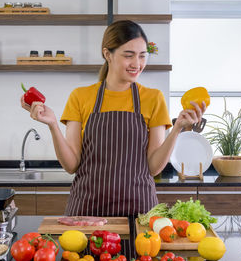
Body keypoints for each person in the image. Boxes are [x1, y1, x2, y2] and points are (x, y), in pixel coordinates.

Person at [21, 20, 205, 217]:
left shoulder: (153, 98)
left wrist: (177, 129)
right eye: (129, 55)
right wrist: (52, 126)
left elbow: (153, 168)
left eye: (142, 56)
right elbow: (71, 165)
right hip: (87, 210)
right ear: (107, 54)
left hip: (138, 211)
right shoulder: (80, 96)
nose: (137, 64)